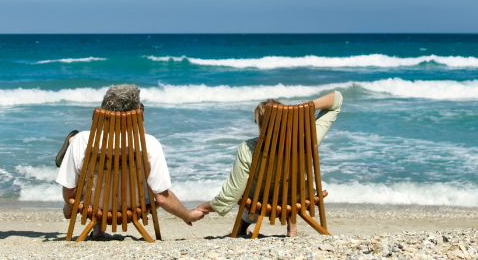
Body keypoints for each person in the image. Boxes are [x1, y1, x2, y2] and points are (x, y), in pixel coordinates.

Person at [189, 90, 342, 237]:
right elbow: (336, 100)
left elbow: (231, 195)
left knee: (246, 187)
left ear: (259, 124)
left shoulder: (249, 148)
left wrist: (203, 208)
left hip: (261, 201)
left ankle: (243, 227)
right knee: (288, 184)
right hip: (297, 198)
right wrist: (299, 110)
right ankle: (292, 225)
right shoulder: (307, 138)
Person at [55, 84, 200, 236]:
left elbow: (69, 190)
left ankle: (98, 225)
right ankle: (99, 226)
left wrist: (69, 205)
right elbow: (162, 198)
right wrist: (188, 215)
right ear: (136, 113)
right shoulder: (149, 143)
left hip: (93, 206)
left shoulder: (82, 140)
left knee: (83, 155)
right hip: (135, 206)